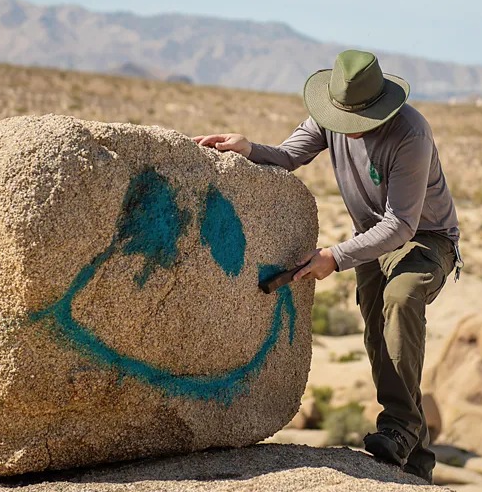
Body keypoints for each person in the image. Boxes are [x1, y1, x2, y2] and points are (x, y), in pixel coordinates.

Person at [193, 49, 461, 483]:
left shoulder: (411, 132)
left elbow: (401, 224)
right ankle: (417, 461)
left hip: (424, 238)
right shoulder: (331, 117)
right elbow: (288, 155)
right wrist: (248, 148)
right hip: (371, 237)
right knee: (380, 336)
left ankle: (399, 427)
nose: (351, 131)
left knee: (401, 298)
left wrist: (333, 258)